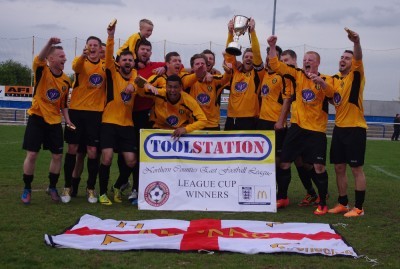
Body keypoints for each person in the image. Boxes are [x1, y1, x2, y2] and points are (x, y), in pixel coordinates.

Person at [267, 35, 335, 215]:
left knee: (319, 167)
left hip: (316, 131)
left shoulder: (326, 79)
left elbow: (334, 98)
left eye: (310, 60)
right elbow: (275, 65)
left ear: (317, 64)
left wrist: (321, 83)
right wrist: (272, 46)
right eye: (305, 59)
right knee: (284, 163)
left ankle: (322, 201)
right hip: (297, 128)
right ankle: (282, 197)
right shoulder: (296, 75)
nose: (307, 62)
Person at [21, 37, 72, 204]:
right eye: (61, 56)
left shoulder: (66, 80)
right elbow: (40, 57)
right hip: (37, 118)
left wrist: (68, 120)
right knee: (32, 154)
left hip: (54, 122)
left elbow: (63, 103)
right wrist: (49, 44)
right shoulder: (42, 69)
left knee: (57, 156)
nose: (65, 58)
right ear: (51, 59)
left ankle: (52, 186)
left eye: (65, 56)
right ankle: (27, 188)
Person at [115, 39, 165, 205]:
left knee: (140, 155)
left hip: (144, 116)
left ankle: (137, 188)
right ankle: (122, 182)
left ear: (151, 53)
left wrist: (164, 67)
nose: (145, 52)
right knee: (123, 155)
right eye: (142, 49)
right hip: (124, 115)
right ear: (136, 51)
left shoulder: (157, 66)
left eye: (148, 49)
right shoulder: (129, 66)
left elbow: (176, 65)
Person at [61, 36, 106, 204]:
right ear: (86, 47)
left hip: (95, 114)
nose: (93, 47)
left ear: (100, 49)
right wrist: (83, 55)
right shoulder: (79, 61)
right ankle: (67, 186)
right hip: (76, 112)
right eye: (90, 45)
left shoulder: (104, 65)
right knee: (72, 148)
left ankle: (90, 188)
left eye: (96, 45)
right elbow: (75, 67)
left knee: (93, 152)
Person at [98, 20, 138, 205]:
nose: (127, 62)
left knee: (131, 162)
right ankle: (102, 193)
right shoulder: (112, 73)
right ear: (118, 62)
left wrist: (133, 82)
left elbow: (138, 78)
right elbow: (108, 55)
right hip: (109, 122)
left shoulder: (136, 78)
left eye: (130, 60)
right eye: (124, 60)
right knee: (106, 158)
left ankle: (117, 186)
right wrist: (111, 36)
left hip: (127, 125)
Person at [328, 29, 367, 217]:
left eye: (347, 58)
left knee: (356, 169)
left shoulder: (356, 75)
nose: (343, 60)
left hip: (355, 129)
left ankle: (358, 208)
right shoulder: (335, 80)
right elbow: (332, 97)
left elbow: (358, 57)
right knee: (338, 167)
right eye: (341, 57)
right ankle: (343, 203)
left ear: (353, 63)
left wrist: (356, 43)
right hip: (339, 129)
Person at [280, 49, 320, 207]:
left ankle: (317, 192)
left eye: (287, 60)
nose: (285, 63)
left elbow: (289, 101)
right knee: (296, 161)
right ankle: (311, 192)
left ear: (294, 61)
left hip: (307, 127)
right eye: (282, 61)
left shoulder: (299, 76)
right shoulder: (286, 76)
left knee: (307, 163)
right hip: (293, 125)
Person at [257, 46, 292, 202]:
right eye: (268, 55)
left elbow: (287, 100)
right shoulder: (264, 74)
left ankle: (282, 195)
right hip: (262, 123)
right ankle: (266, 191)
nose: (269, 58)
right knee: (265, 161)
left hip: (276, 124)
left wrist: (280, 121)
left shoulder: (283, 76)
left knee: (279, 161)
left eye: (273, 56)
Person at [132, 74, 208, 137]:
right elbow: (142, 93)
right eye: (170, 87)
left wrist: (185, 129)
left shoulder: (188, 101)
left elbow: (203, 121)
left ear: (181, 88)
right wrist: (140, 85)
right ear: (166, 87)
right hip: (158, 130)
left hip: (179, 133)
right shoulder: (160, 93)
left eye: (175, 87)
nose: (172, 90)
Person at [224, 18, 264, 130]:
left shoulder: (257, 75)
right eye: (246, 57)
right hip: (231, 120)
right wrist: (230, 33)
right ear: (242, 58)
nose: (249, 59)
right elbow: (229, 54)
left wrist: (252, 32)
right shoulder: (235, 73)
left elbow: (257, 54)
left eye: (251, 57)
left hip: (250, 120)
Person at [185, 53, 232, 130]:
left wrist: (228, 72)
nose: (200, 65)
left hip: (212, 125)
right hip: (194, 125)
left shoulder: (214, 80)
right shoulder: (188, 81)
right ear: (192, 68)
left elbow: (225, 78)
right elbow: (180, 71)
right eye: (197, 64)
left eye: (202, 63)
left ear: (206, 67)